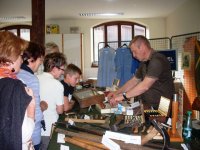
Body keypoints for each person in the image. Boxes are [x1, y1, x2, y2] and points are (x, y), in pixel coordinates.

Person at [109, 35, 175, 110]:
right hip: (149, 105)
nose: (133, 55)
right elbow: (134, 81)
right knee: (137, 117)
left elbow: (144, 86)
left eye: (134, 51)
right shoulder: (144, 62)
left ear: (142, 47)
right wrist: (117, 93)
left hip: (163, 106)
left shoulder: (157, 60)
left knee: (158, 121)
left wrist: (122, 96)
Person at [0, 31, 35, 150]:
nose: (21, 60)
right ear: (11, 58)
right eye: (20, 56)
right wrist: (31, 108)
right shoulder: (16, 87)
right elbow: (23, 134)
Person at [17, 42, 45, 150]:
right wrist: (43, 107)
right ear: (31, 59)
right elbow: (36, 111)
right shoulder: (31, 79)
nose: (40, 64)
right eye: (40, 60)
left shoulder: (17, 73)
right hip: (32, 132)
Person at [37, 52, 67, 150]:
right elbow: (60, 111)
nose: (63, 72)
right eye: (62, 69)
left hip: (36, 129)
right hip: (49, 129)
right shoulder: (57, 85)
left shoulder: (35, 78)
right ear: (54, 69)